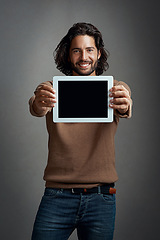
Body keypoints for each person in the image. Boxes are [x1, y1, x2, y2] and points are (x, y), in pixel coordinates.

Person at [29, 22, 132, 240]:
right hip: (57, 196)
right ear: (68, 55)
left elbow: (125, 104)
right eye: (76, 50)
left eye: (89, 50)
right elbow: (36, 106)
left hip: (101, 197)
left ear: (99, 53)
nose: (83, 57)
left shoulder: (114, 88)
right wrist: (39, 103)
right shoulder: (51, 89)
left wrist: (124, 105)